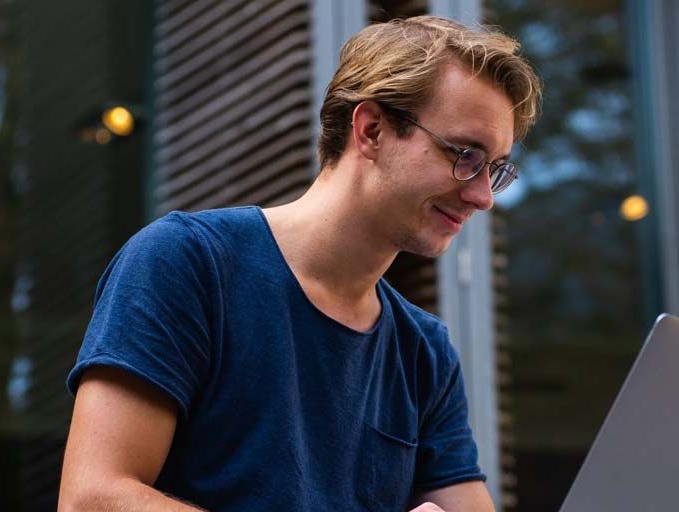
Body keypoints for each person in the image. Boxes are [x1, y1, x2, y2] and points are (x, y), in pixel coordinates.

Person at [58, 14, 541, 512]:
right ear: (371, 129)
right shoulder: (189, 263)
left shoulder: (424, 354)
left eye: (496, 169)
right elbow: (92, 499)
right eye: (465, 154)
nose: (483, 196)